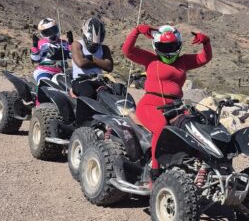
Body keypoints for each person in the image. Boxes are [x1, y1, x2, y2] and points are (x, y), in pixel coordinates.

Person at [121, 23, 212, 183]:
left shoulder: (183, 61)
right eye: (164, 46)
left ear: (178, 45)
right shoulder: (150, 59)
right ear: (156, 45)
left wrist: (206, 42)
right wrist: (136, 31)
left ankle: (200, 165)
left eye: (172, 46)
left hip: (175, 106)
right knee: (161, 127)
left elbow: (204, 58)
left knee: (195, 126)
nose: (168, 50)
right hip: (150, 105)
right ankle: (154, 171)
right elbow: (127, 50)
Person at [70, 17, 114, 97]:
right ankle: (81, 109)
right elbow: (81, 63)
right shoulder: (77, 44)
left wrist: (91, 58)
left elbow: (109, 67)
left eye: (97, 44)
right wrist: (100, 62)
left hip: (98, 80)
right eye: (92, 43)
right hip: (80, 81)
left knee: (111, 94)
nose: (94, 46)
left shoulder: (104, 48)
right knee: (88, 93)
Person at [31, 18, 72, 83]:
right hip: (44, 71)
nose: (52, 34)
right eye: (47, 32)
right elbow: (35, 59)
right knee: (45, 83)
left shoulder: (63, 43)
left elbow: (71, 55)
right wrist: (35, 46)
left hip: (60, 72)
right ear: (42, 34)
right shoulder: (42, 44)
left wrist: (71, 43)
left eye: (53, 30)